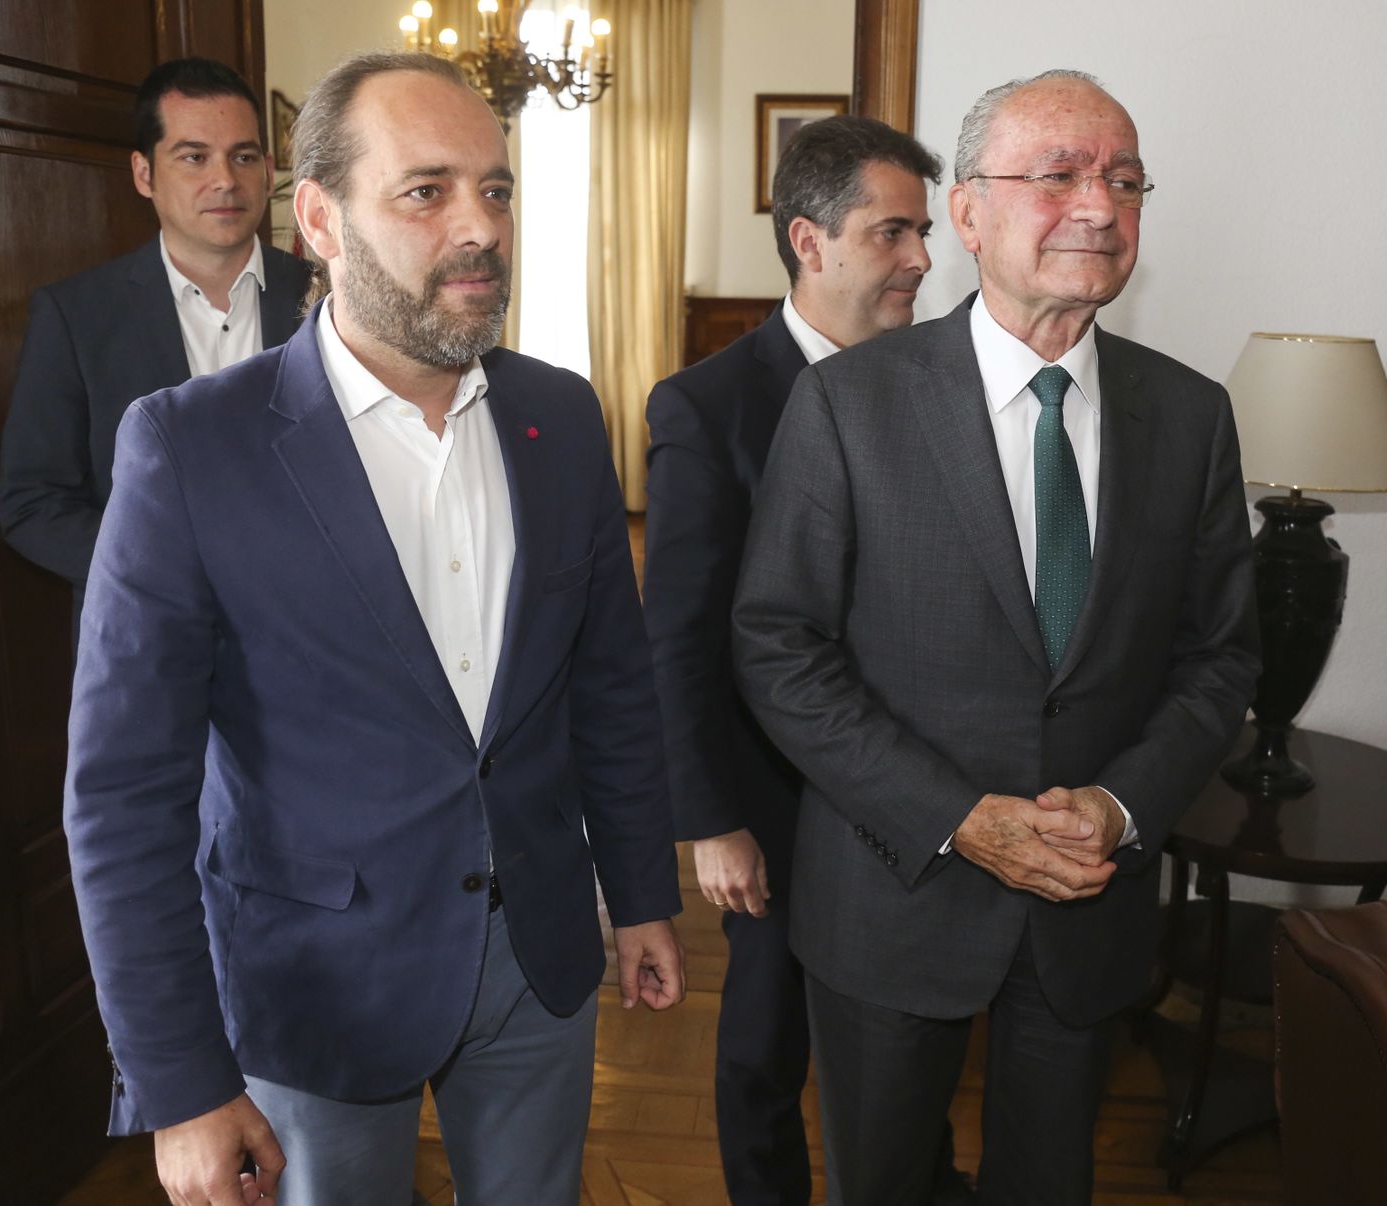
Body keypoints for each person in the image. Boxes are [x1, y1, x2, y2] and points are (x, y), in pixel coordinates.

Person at [63, 51, 684, 1206]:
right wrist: (184, 1086)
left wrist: (642, 892)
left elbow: (611, 686)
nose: (479, 227)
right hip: (315, 988)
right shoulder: (191, 448)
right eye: (426, 190)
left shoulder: (560, 414)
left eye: (496, 190)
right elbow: (122, 796)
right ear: (319, 220)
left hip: (538, 961)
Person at [731, 69, 1260, 1204]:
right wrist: (955, 818)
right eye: (1058, 174)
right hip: (892, 899)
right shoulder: (846, 404)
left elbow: (1220, 657)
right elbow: (778, 646)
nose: (1099, 205)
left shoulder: (1190, 414)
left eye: (1123, 180)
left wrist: (1118, 809)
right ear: (965, 213)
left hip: (1089, 903)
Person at [643, 116, 968, 1204]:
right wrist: (709, 820)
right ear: (809, 241)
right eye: (892, 233)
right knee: (767, 1042)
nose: (921, 258)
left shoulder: (949, 382)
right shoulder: (710, 406)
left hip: (920, 782)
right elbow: (680, 632)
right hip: (778, 801)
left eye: (922, 232)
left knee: (915, 1034)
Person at [0, 57, 312, 625]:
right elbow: (32, 505)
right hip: (150, 635)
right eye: (194, 157)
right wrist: (170, 572)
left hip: (314, 630)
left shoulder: (327, 300)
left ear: (268, 170)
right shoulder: (76, 316)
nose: (225, 180)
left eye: (243, 156)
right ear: (144, 174)